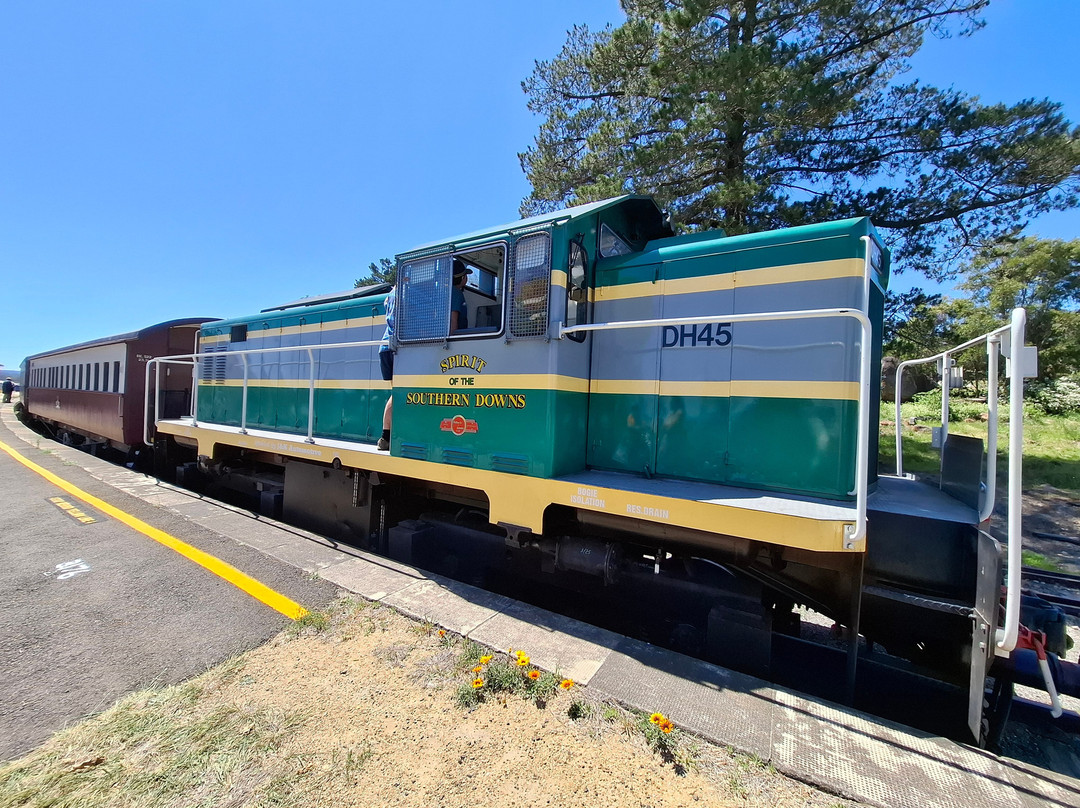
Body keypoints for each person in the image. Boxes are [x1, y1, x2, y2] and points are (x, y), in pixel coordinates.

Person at [377, 286, 396, 451]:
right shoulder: (405, 293)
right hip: (395, 347)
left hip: (385, 346)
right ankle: (385, 437)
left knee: (395, 392)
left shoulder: (390, 295)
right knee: (397, 392)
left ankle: (386, 436)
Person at [450, 262, 472, 333]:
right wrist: (454, 340)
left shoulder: (447, 292)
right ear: (463, 277)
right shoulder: (456, 293)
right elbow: (453, 319)